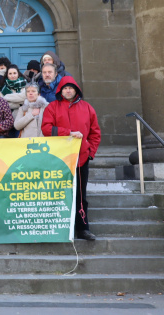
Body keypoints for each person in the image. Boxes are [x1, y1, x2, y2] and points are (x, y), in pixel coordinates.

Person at [42, 76, 101, 241]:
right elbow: (46, 129)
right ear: (60, 90)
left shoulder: (87, 108)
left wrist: (90, 152)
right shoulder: (52, 107)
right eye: (65, 88)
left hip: (81, 158)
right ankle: (58, 228)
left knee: (80, 195)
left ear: (76, 90)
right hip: (59, 159)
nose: (68, 90)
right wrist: (67, 132)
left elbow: (95, 133)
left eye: (71, 88)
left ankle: (83, 229)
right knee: (58, 194)